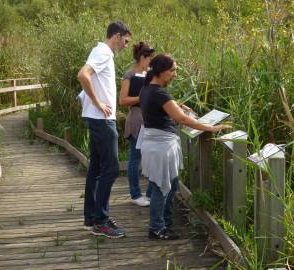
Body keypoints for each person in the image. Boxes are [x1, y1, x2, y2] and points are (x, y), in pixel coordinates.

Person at [139, 54, 230, 240]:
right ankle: (156, 228)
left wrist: (179, 106)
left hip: (156, 144)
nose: (175, 74)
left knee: (169, 185)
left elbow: (168, 109)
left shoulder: (147, 89)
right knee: (160, 187)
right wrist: (211, 127)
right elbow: (180, 118)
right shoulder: (159, 92)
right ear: (160, 71)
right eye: (172, 70)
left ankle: (164, 221)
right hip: (161, 147)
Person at [77, 21, 131, 238]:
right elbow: (83, 75)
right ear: (117, 36)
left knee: (96, 169)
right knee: (111, 168)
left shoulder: (99, 51)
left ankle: (91, 219)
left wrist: (96, 104)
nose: (126, 45)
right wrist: (99, 103)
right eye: (125, 40)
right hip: (101, 120)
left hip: (96, 118)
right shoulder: (104, 53)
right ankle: (101, 220)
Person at [119, 42, 155, 207]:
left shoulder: (150, 74)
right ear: (142, 58)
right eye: (149, 58)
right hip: (136, 118)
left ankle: (148, 194)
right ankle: (135, 194)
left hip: (150, 119)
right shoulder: (130, 75)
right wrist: (143, 98)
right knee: (135, 157)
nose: (151, 61)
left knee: (150, 159)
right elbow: (123, 100)